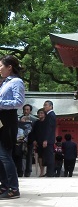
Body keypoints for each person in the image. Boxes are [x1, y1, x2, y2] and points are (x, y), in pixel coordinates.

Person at [0, 55, 25, 199]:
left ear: (9, 67)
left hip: (8, 120)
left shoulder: (16, 82)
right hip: (1, 119)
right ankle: (4, 185)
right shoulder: (4, 82)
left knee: (4, 155)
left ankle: (14, 188)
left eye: (1, 66)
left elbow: (19, 102)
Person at [19, 104, 36, 177]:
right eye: (25, 109)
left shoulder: (34, 120)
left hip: (30, 140)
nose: (26, 111)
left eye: (27, 109)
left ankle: (28, 171)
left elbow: (36, 131)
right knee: (19, 155)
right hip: (20, 140)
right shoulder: (19, 118)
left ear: (30, 111)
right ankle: (19, 170)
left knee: (29, 155)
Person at [28, 108, 46, 176]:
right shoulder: (36, 122)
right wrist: (34, 140)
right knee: (40, 157)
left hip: (45, 141)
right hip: (38, 142)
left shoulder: (47, 122)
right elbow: (33, 133)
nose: (40, 114)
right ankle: (42, 171)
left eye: (42, 113)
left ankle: (47, 170)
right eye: (39, 113)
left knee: (46, 156)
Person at [42, 100, 56, 177]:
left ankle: (50, 172)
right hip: (49, 139)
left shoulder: (50, 115)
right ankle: (49, 172)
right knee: (48, 155)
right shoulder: (49, 115)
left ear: (51, 106)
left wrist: (45, 139)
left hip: (49, 139)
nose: (44, 106)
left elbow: (49, 128)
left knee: (49, 156)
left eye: (46, 105)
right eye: (44, 105)